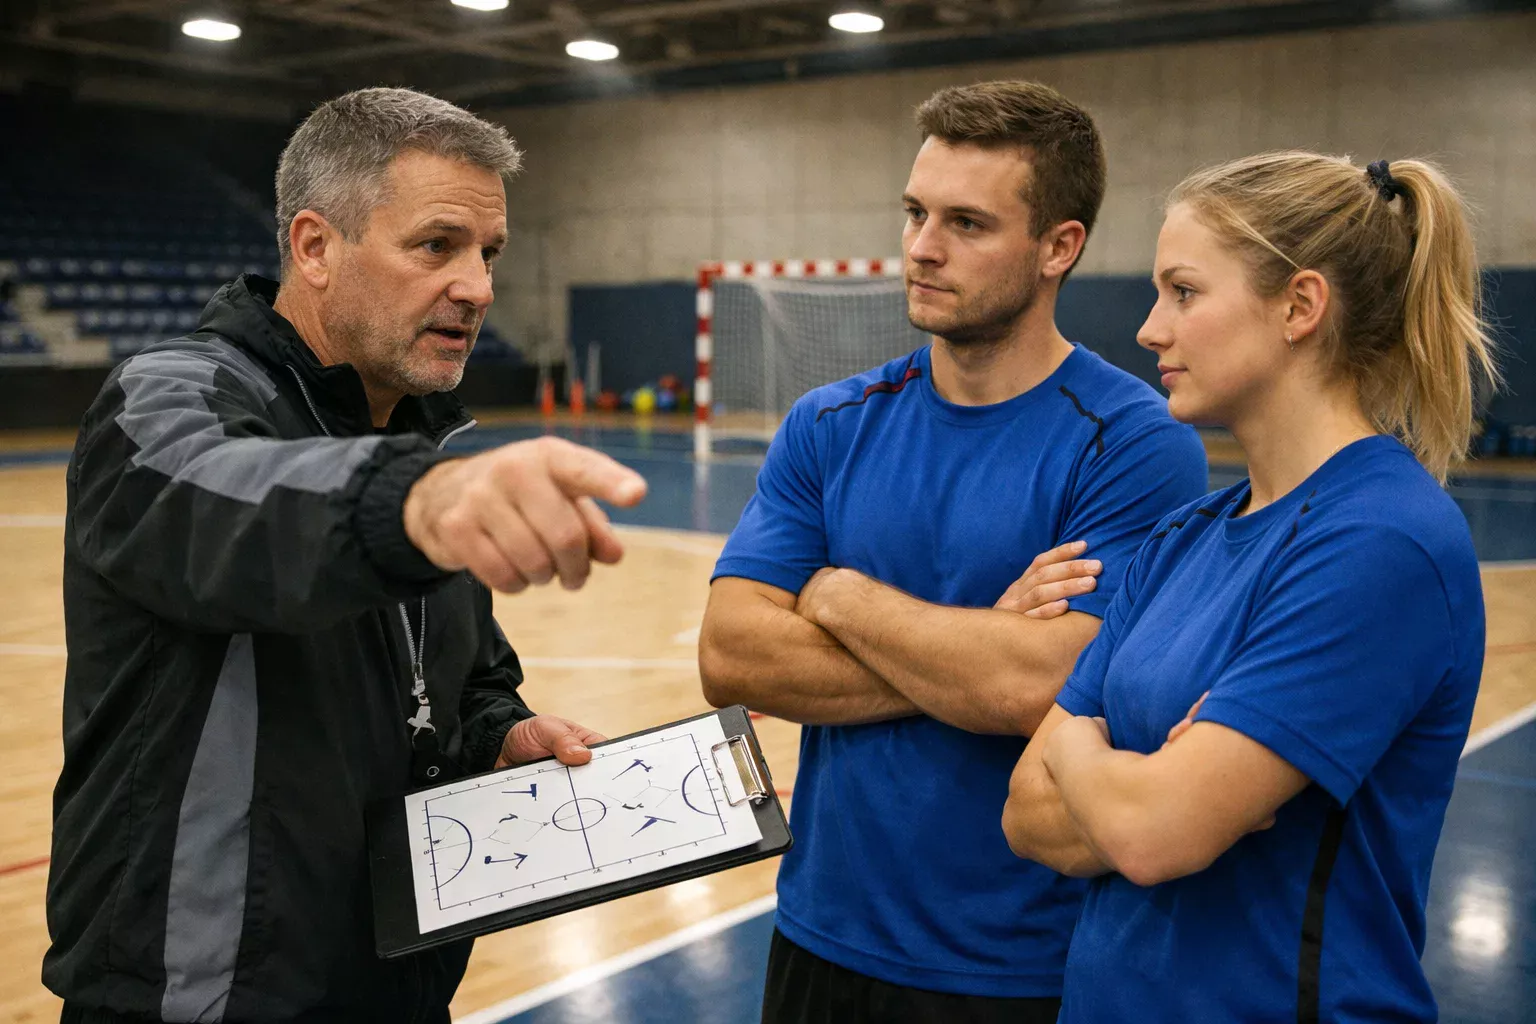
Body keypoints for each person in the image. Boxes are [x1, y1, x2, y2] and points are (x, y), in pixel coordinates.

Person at [45, 87, 647, 1023]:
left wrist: (497, 734)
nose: (479, 287)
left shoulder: (416, 442)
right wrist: (417, 499)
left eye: (488, 254)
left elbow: (462, 677)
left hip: (396, 987)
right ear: (315, 247)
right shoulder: (164, 399)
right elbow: (235, 513)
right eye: (437, 245)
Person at [698, 80, 1208, 1022]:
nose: (923, 247)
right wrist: (978, 652)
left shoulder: (1133, 442)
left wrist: (841, 597)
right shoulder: (829, 424)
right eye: (915, 212)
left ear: (1060, 247)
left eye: (967, 222)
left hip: (1021, 968)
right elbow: (731, 656)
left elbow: (1035, 689)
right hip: (820, 935)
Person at [1001, 153, 1497, 1023]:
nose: (1151, 329)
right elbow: (1024, 814)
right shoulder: (1183, 535)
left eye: (1184, 292)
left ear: (1299, 307)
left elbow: (1154, 836)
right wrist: (1147, 782)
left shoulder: (1383, 543)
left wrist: (1086, 752)